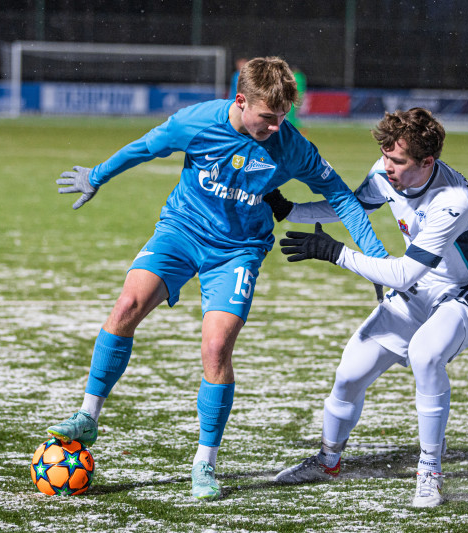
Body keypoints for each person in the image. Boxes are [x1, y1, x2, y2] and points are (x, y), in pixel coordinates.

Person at [48, 56, 389, 501]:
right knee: (126, 308)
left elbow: (342, 197)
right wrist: (96, 176)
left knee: (216, 347)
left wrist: (379, 260)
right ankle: (88, 416)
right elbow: (146, 147)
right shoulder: (197, 122)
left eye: (282, 118)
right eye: (267, 118)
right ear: (241, 101)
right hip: (182, 231)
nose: (274, 127)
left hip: (238, 251)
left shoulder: (292, 146)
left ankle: (204, 463)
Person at [265, 107, 468, 507]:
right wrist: (292, 210)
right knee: (348, 373)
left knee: (426, 355)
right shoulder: (385, 172)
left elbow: (405, 274)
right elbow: (355, 207)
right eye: (386, 155)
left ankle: (430, 471)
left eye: (398, 160)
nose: (387, 167)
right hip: (421, 288)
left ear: (428, 162)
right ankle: (328, 460)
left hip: (466, 291)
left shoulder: (455, 200)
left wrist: (335, 253)